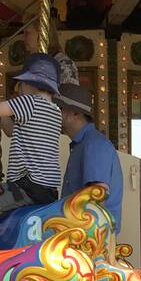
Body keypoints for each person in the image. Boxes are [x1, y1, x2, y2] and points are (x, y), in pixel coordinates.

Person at [0, 52, 62, 253]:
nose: (20, 88)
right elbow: (9, 131)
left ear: (29, 84)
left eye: (21, 84)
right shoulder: (55, 110)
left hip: (27, 185)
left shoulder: (28, 103)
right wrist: (3, 110)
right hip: (47, 188)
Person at [56, 84, 123, 232]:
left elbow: (97, 198)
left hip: (90, 236)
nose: (54, 114)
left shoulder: (94, 144)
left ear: (74, 113)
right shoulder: (83, 144)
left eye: (59, 109)